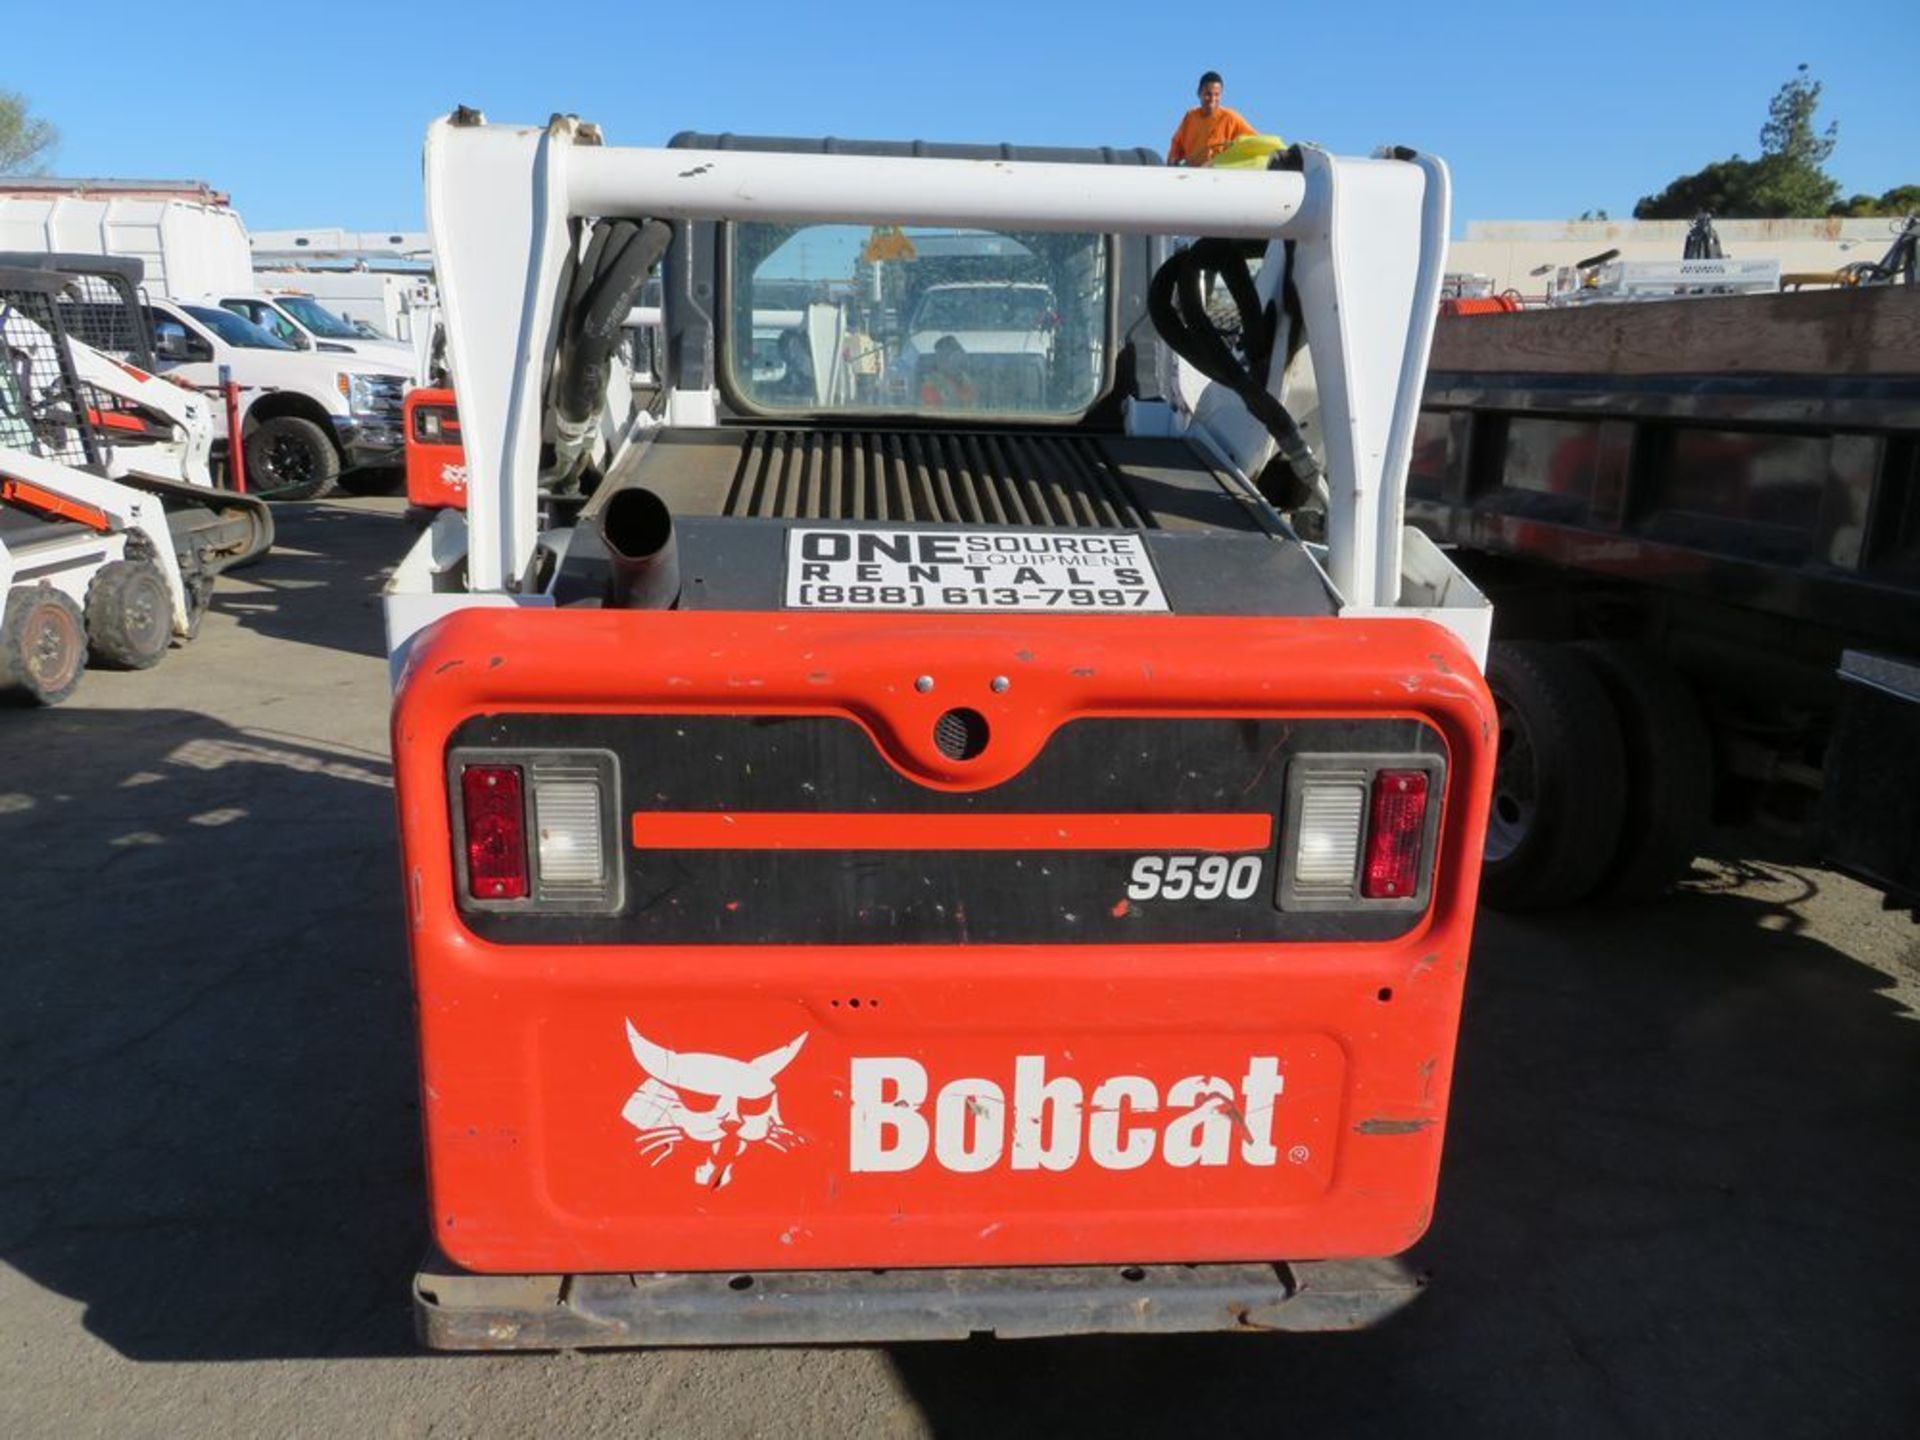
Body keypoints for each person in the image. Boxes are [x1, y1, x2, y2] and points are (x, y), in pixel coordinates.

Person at [1167, 71, 1257, 169]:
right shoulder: (1190, 117)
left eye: (1217, 94)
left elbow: (1254, 141)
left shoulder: (1230, 117)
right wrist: (1172, 162)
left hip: (1218, 177)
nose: (1212, 99)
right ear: (1198, 93)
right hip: (1191, 175)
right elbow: (1176, 144)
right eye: (1208, 94)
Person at [919, 335, 978, 409]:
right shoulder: (931, 384)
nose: (939, 362)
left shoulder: (967, 382)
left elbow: (973, 408)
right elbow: (930, 412)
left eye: (960, 353)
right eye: (939, 357)